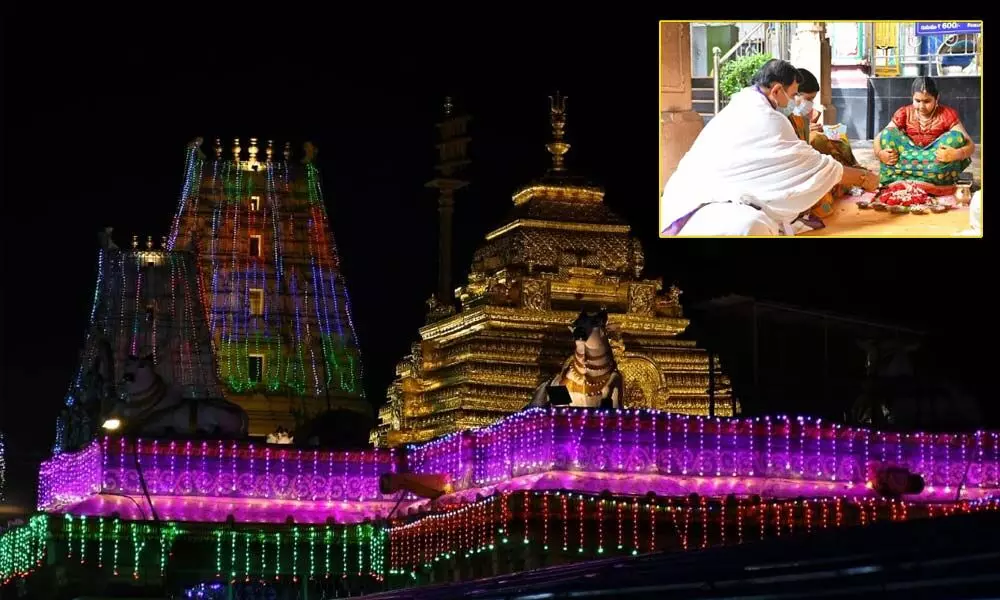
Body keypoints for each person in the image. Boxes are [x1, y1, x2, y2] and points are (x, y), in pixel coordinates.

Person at [660, 59, 878, 236]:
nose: (795, 102)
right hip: (700, 201)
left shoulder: (745, 103)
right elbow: (813, 166)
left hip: (701, 193)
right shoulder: (766, 116)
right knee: (755, 225)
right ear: (776, 90)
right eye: (794, 96)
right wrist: (863, 178)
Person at [873, 76, 974, 194]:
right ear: (912, 98)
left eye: (927, 101)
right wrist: (880, 154)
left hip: (934, 161)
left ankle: (905, 180)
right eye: (917, 101)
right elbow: (879, 137)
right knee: (888, 134)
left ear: (937, 98)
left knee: (956, 137)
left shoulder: (947, 114)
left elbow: (970, 144)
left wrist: (957, 154)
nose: (921, 106)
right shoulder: (904, 112)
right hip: (909, 157)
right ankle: (927, 182)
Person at [792, 68, 859, 168]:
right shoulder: (779, 114)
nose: (810, 103)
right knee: (817, 139)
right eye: (808, 99)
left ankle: (851, 168)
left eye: (812, 99)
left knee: (838, 135)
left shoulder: (805, 114)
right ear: (794, 94)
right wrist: (805, 131)